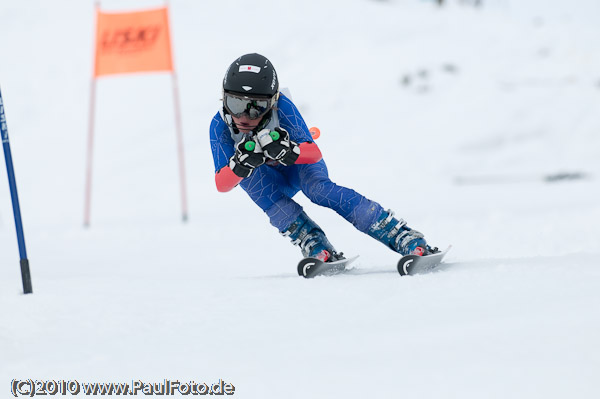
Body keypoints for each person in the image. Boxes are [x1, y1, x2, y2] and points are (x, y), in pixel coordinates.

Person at [210, 53, 436, 262]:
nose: (243, 116)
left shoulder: (282, 107)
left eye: (256, 108)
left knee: (318, 189)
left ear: (272, 102)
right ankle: (313, 241)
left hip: (299, 170)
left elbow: (313, 152)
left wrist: (290, 151)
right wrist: (240, 166)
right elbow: (222, 183)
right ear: (224, 99)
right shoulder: (220, 124)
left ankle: (397, 233)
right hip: (271, 182)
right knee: (251, 180)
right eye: (235, 104)